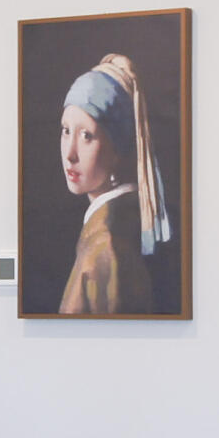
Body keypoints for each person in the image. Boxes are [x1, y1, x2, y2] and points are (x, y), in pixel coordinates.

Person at [55, 53, 172, 315]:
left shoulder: (105, 246)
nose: (70, 153)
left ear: (117, 147)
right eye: (65, 131)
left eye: (87, 135)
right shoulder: (114, 228)